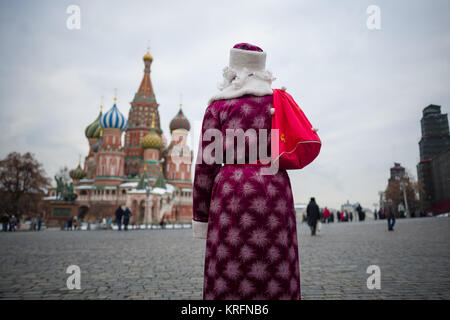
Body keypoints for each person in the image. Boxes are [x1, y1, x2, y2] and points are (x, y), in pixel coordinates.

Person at [192, 43, 319, 300]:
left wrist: (201, 216)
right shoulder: (278, 101)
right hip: (274, 188)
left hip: (230, 193)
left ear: (232, 71)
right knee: (275, 261)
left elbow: (206, 166)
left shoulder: (217, 108)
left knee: (229, 263)